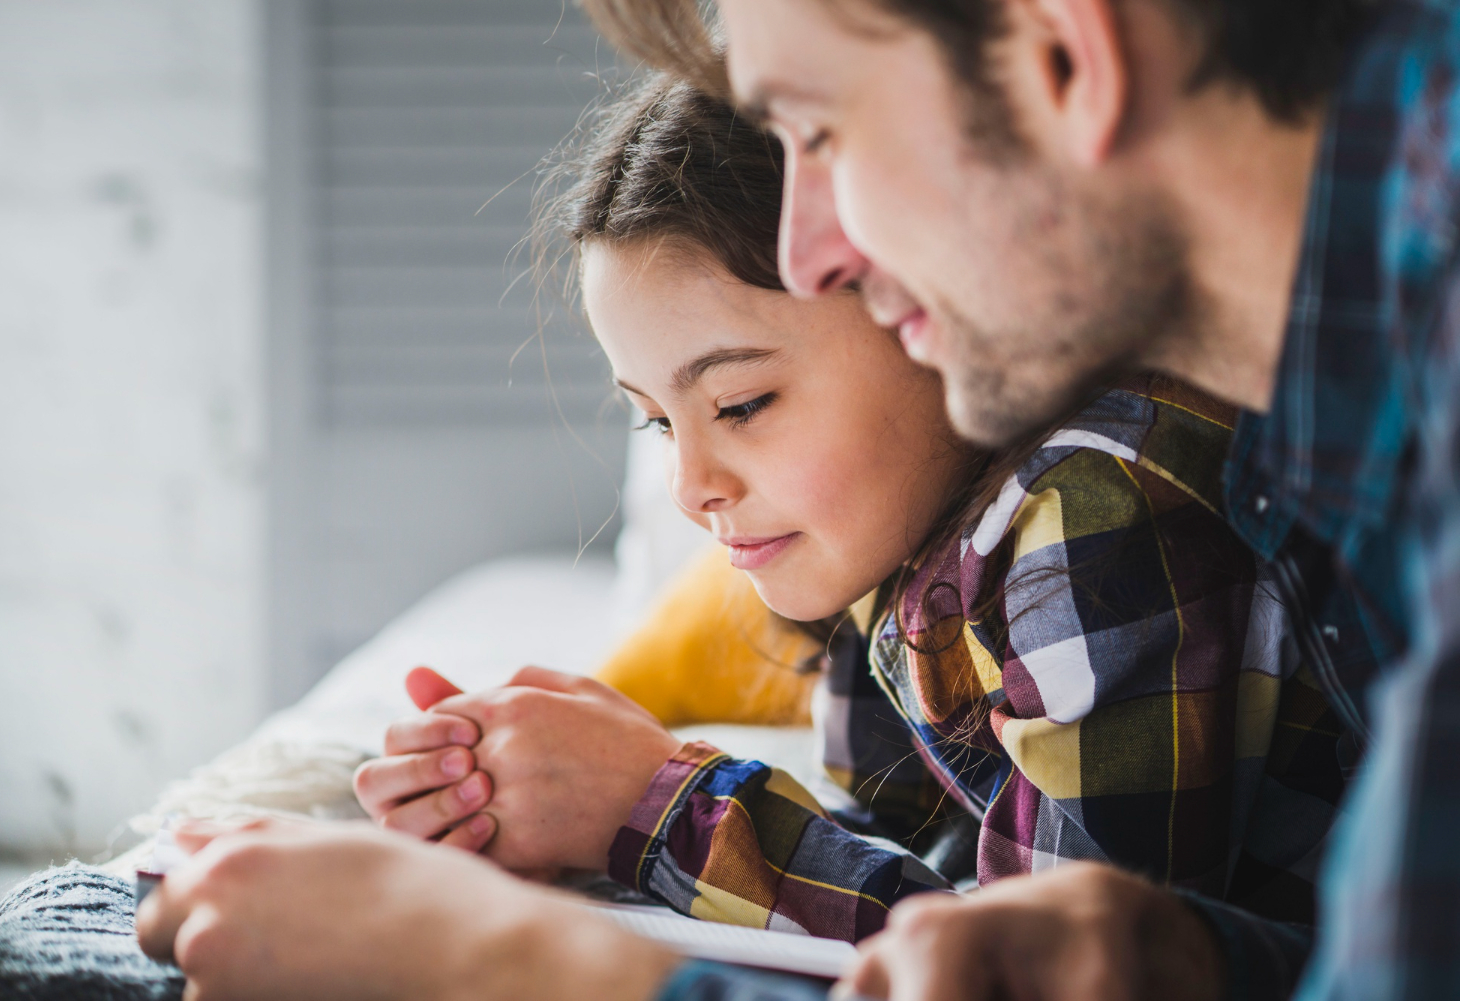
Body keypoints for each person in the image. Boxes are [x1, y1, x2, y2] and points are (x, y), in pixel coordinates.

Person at [134, 66, 1348, 1001]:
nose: (692, 484)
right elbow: (920, 864)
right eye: (659, 421)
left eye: (743, 403)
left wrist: (658, 804)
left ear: (914, 304)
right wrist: (592, 786)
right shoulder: (896, 561)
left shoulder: (1094, 513)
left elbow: (1006, 958)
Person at [573, 0, 1460, 999]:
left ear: (1063, 56)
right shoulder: (1343, 417)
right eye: (658, 422)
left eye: (821, 135)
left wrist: (519, 952)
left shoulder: (1107, 493)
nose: (822, 253)